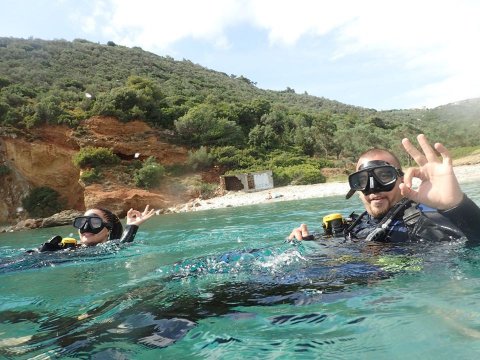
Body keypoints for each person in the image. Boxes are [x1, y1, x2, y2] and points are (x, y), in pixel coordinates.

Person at [288, 134, 480, 244]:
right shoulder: (354, 224)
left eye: (385, 176)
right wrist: (305, 243)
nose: (373, 189)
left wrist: (456, 206)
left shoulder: (425, 219)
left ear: (401, 179)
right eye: (362, 180)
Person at [31, 205, 156, 252]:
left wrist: (132, 226)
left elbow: (121, 247)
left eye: (95, 223)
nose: (86, 228)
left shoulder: (111, 248)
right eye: (82, 222)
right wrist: (40, 253)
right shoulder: (66, 247)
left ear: (108, 229)